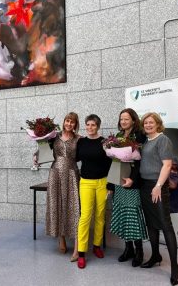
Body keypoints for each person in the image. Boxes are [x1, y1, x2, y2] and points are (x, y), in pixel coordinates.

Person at [139, 112, 178, 286]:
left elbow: (167, 164)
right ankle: (155, 255)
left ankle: (175, 268)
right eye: (146, 122)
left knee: (165, 225)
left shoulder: (162, 139)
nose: (148, 125)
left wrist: (158, 186)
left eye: (151, 122)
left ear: (158, 124)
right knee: (151, 224)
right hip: (144, 186)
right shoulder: (146, 141)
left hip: (158, 186)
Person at [109, 108, 148, 267]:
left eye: (126, 119)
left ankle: (139, 251)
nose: (123, 122)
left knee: (133, 216)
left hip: (132, 183)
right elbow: (114, 161)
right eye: (121, 119)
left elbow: (141, 162)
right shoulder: (117, 137)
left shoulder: (140, 136)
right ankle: (128, 248)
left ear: (133, 120)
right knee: (123, 215)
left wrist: (132, 179)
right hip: (118, 182)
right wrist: (110, 184)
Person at [76, 114, 112, 269]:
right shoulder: (81, 142)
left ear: (98, 126)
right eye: (88, 124)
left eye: (93, 125)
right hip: (86, 183)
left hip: (102, 182)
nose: (90, 128)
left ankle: (97, 246)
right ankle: (82, 252)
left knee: (100, 216)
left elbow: (111, 163)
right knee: (85, 216)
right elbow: (75, 158)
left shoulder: (105, 142)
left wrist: (110, 185)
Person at [44, 112, 80, 262]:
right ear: (64, 121)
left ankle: (78, 247)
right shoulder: (53, 137)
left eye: (72, 122)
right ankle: (62, 238)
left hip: (72, 173)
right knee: (57, 204)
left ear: (75, 124)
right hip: (55, 173)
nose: (69, 124)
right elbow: (43, 151)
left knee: (75, 206)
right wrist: (36, 156)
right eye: (67, 121)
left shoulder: (79, 139)